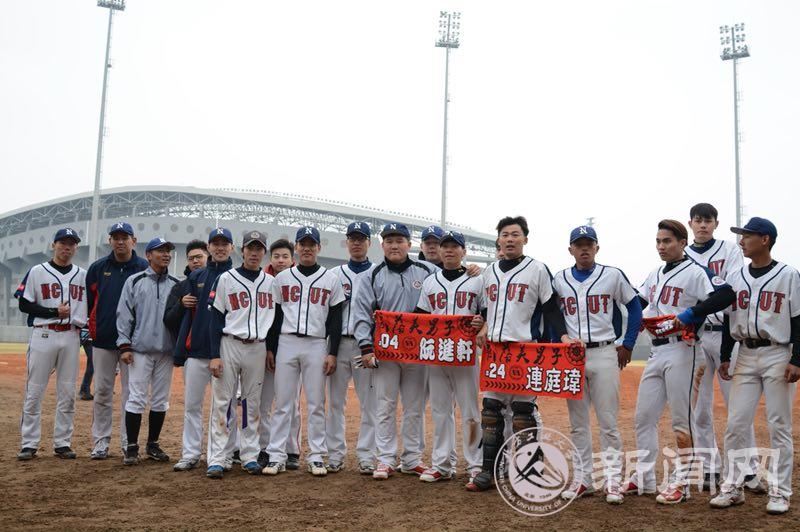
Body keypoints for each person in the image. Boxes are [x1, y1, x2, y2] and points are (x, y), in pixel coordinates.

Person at [626, 219, 735, 505]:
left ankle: (682, 483)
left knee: (681, 420)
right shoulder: (655, 273)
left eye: (667, 241)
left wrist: (691, 314)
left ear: (682, 243)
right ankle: (644, 477)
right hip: (656, 351)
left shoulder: (696, 271)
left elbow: (726, 294)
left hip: (684, 350)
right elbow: (638, 301)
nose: (661, 246)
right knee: (643, 417)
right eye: (658, 241)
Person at [471, 216, 576, 492]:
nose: (510, 239)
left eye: (515, 234)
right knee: (491, 412)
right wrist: (483, 326)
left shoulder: (537, 269)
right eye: (505, 234)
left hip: (525, 349)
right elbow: (486, 308)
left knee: (522, 413)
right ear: (498, 240)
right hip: (495, 350)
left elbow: (550, 307)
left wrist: (563, 335)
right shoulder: (489, 272)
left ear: (525, 239)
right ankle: (489, 470)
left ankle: (529, 471)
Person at [710, 217, 800, 515]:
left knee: (779, 425)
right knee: (736, 424)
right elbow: (728, 318)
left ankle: (780, 492)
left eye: (747, 236)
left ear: (765, 239)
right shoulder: (735, 275)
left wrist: (797, 359)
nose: (741, 241)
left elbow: (799, 319)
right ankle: (732, 487)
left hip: (778, 353)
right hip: (745, 354)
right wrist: (725, 355)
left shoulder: (788, 275)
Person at [553, 226, 642, 504]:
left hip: (604, 352)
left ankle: (613, 480)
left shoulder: (612, 275)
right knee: (578, 424)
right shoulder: (559, 279)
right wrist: (558, 342)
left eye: (589, 244)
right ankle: (583, 480)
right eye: (579, 244)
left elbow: (635, 307)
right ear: (570, 250)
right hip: (572, 356)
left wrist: (628, 343)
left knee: (608, 422)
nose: (584, 248)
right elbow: (552, 315)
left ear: (597, 247)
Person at [684, 203, 762, 493]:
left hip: (726, 334)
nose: (703, 225)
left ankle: (748, 468)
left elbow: (730, 291)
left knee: (737, 406)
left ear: (716, 224)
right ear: (690, 224)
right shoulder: (683, 254)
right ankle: (710, 467)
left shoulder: (729, 250)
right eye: (698, 220)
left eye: (708, 220)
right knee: (700, 409)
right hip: (695, 338)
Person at [353, 222, 436, 480]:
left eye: (399, 240)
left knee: (414, 406)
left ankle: (411, 458)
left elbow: (452, 280)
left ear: (409, 244)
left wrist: (473, 270)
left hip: (417, 351)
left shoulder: (428, 271)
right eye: (389, 241)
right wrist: (366, 347)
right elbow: (361, 313)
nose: (394, 245)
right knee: (385, 405)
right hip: (385, 352)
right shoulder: (371, 275)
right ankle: (386, 458)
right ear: (382, 245)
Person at [263, 226, 344, 476]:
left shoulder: (331, 279)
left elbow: (336, 319)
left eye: (311, 244)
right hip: (286, 342)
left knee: (317, 403)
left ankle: (316, 456)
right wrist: (271, 348)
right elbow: (275, 317)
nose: (307, 248)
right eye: (303, 244)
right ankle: (276, 455)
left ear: (319, 247)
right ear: (296, 247)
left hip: (316, 344)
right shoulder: (282, 279)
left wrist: (332, 352)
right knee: (283, 403)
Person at [414, 231, 484, 485]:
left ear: (464, 251)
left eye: (455, 246)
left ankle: (476, 465)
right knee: (440, 411)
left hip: (466, 354)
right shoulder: (430, 282)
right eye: (446, 246)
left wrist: (481, 322)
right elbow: (420, 317)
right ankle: (442, 464)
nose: (450, 250)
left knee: (470, 412)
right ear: (440, 251)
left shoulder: (478, 280)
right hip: (437, 354)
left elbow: (488, 312)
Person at [205, 231, 276, 478]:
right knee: (222, 402)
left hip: (257, 346)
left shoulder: (271, 283)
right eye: (250, 248)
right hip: (230, 343)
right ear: (241, 250)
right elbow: (215, 319)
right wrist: (214, 355)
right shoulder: (226, 278)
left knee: (251, 403)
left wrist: (270, 349)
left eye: (259, 249)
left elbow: (275, 321)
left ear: (264, 252)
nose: (254, 253)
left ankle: (249, 456)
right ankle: (217, 458)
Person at [15, 228, 87, 460]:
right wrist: (52, 312)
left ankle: (62, 443)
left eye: (71, 243)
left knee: (67, 392)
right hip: (44, 334)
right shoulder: (37, 271)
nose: (67, 247)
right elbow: (24, 304)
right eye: (62, 242)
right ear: (53, 245)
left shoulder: (83, 275)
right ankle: (29, 443)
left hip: (71, 336)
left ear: (76, 248)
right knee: (34, 391)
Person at [172, 228, 239, 472]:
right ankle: (190, 453)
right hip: (197, 351)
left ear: (232, 247)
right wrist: (182, 350)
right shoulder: (197, 276)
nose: (220, 248)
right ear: (209, 247)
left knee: (226, 406)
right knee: (192, 405)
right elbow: (186, 316)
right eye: (215, 244)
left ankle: (225, 454)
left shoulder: (237, 277)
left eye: (224, 243)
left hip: (225, 352)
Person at [87, 221, 149, 459]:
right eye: (116, 237)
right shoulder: (98, 268)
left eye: (125, 237)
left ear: (134, 240)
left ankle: (127, 441)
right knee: (102, 391)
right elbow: (90, 302)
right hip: (104, 340)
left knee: (130, 393)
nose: (120, 241)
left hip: (133, 342)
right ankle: (101, 441)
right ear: (110, 241)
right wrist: (93, 329)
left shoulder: (144, 267)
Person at [117, 237, 179, 465]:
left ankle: (153, 444)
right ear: (148, 255)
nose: (166, 254)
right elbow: (124, 315)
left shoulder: (176, 284)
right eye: (160, 250)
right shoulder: (135, 281)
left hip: (166, 351)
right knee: (136, 398)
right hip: (140, 350)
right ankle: (131, 447)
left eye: (168, 250)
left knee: (161, 400)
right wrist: (124, 345)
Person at [326, 222, 378, 474]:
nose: (356, 243)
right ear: (346, 242)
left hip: (365, 346)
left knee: (370, 403)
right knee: (335, 402)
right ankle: (335, 454)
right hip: (339, 344)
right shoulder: (334, 274)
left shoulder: (379, 273)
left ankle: (367, 455)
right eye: (352, 238)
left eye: (361, 238)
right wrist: (330, 350)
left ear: (369, 242)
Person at [257, 238, 303, 469]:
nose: (281, 260)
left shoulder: (300, 280)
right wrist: (268, 349)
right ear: (270, 258)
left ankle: (291, 449)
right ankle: (265, 447)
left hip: (292, 346)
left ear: (292, 259)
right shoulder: (262, 280)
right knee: (264, 403)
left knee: (290, 403)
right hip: (265, 349)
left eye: (285, 256)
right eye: (276, 256)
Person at [163, 239, 208, 337]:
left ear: (208, 257)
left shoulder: (218, 281)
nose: (195, 261)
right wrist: (181, 304)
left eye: (199, 257)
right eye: (191, 258)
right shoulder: (179, 287)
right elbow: (168, 320)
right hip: (187, 343)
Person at [78, 329, 94, 400]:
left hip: (92, 335)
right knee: (93, 362)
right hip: (86, 335)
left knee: (93, 362)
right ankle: (84, 389)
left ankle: (84, 389)